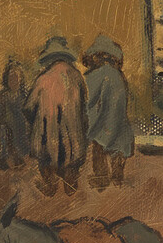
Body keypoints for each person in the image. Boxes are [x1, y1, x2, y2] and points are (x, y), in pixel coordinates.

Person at [29, 35, 88, 197]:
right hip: (73, 137)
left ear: (49, 58)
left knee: (46, 157)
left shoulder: (42, 79)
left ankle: (49, 184)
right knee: (72, 161)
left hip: (48, 137)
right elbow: (84, 105)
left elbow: (29, 107)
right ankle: (70, 183)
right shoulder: (76, 77)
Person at [83, 33, 134, 188]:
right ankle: (117, 176)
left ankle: (101, 177)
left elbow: (89, 101)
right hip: (119, 120)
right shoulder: (119, 75)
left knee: (98, 146)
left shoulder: (95, 75)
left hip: (102, 120)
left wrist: (87, 120)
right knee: (118, 147)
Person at [0, 56, 33, 172]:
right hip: (8, 129)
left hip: (23, 129)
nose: (13, 80)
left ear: (21, 79)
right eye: (11, 78)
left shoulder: (26, 95)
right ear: (6, 79)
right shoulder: (3, 96)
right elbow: (1, 116)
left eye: (16, 77)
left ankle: (25, 158)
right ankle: (8, 160)